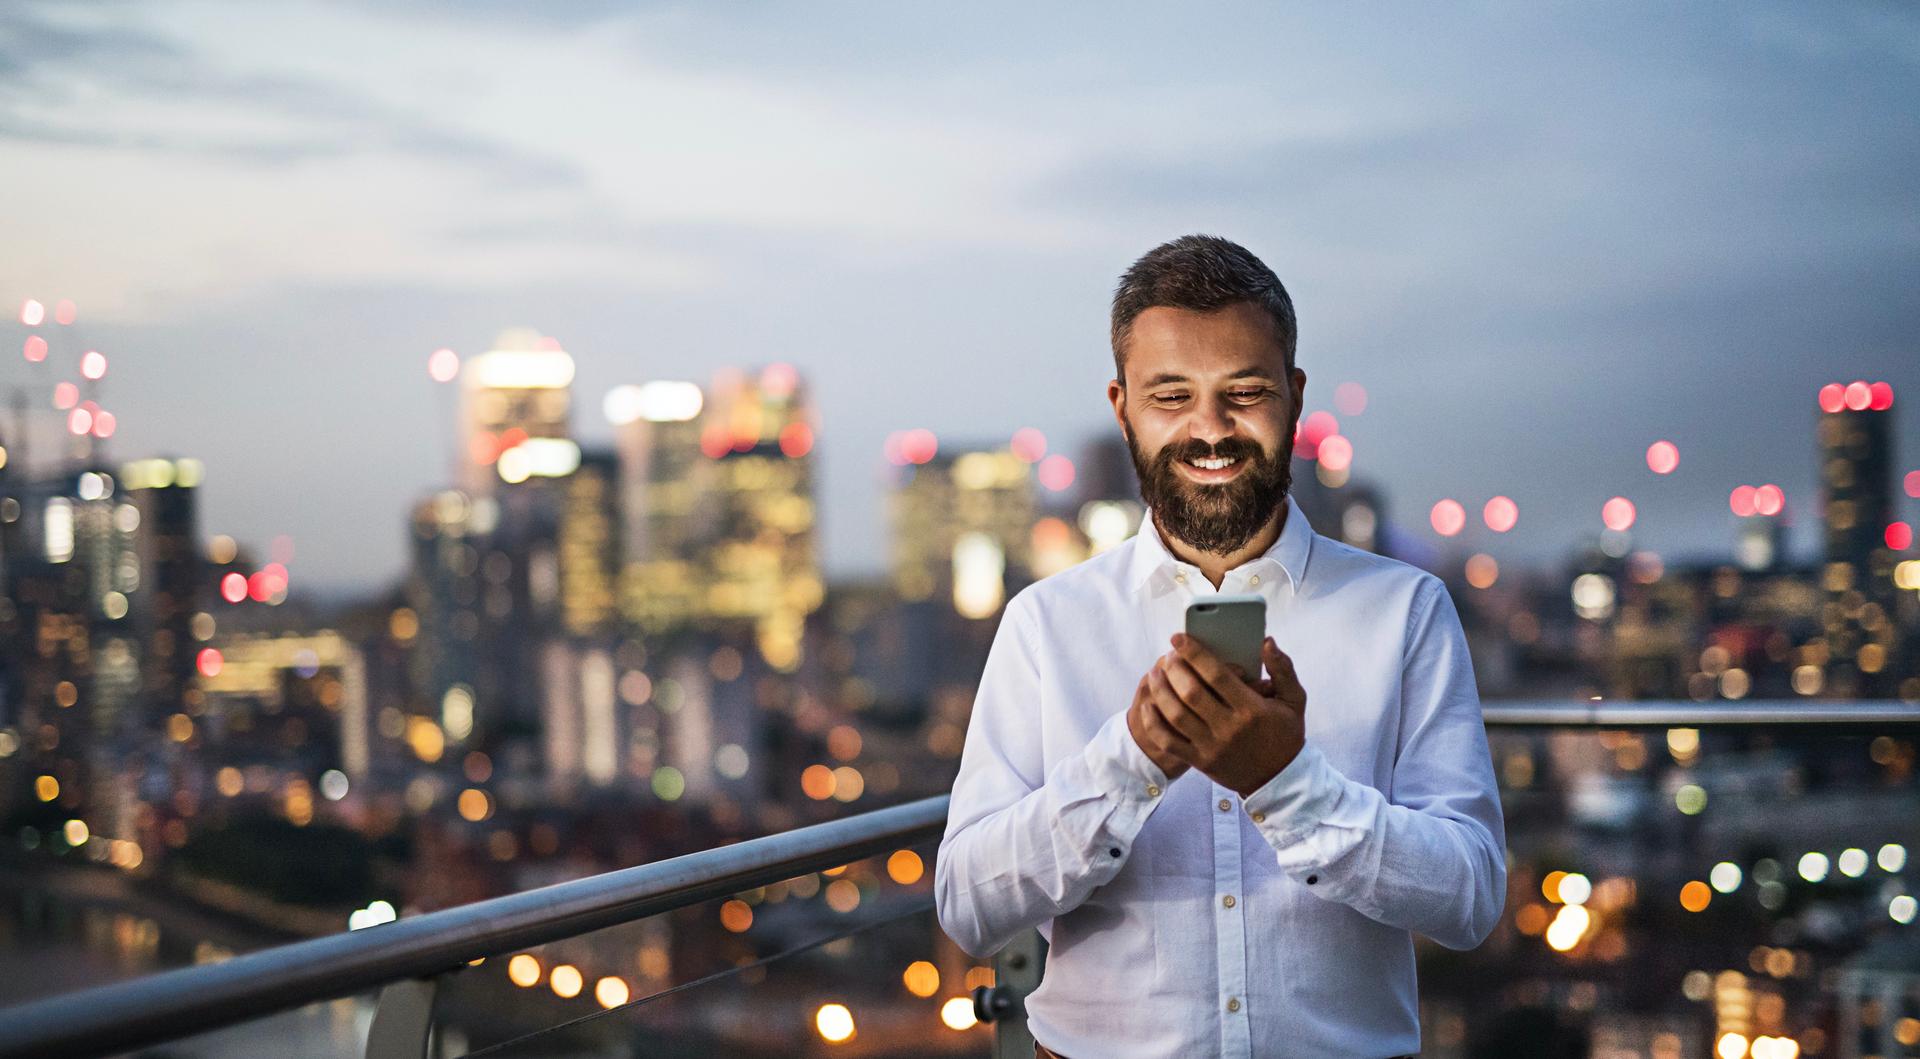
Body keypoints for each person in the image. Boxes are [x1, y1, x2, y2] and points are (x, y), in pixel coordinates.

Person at [934, 235, 1508, 1058]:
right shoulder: (1044, 623)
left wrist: (1289, 784)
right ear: (1122, 405)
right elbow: (966, 904)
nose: (1210, 429)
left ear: (1294, 397)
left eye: (1244, 391)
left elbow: (1472, 895)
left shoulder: (1405, 610)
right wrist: (1129, 762)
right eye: (1172, 395)